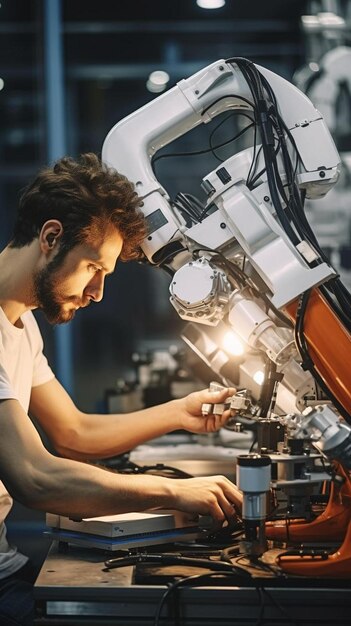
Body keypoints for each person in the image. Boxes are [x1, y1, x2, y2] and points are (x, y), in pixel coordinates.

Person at [0, 153, 241, 625]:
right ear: (51, 237)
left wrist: (177, 413)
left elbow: (74, 433)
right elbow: (35, 477)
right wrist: (173, 493)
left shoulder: (20, 323)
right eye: (94, 268)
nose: (98, 293)